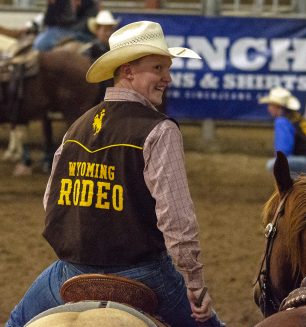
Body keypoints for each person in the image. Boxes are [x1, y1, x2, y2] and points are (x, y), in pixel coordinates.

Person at [6, 21, 225, 327]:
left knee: (16, 322)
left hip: (72, 270)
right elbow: (177, 219)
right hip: (145, 272)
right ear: (128, 71)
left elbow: (51, 201)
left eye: (167, 68)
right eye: (158, 68)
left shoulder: (77, 127)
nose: (168, 78)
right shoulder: (159, 129)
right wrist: (195, 284)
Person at [259, 86, 306, 175]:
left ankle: (296, 187)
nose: (269, 108)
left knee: (274, 165)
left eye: (271, 105)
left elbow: (283, 153)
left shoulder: (282, 121)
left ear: (278, 107)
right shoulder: (298, 118)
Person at [33, 0, 98, 51]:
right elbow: (48, 20)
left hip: (80, 34)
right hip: (61, 30)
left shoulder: (90, 4)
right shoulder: (61, 3)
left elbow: (85, 25)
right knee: (41, 41)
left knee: (41, 43)